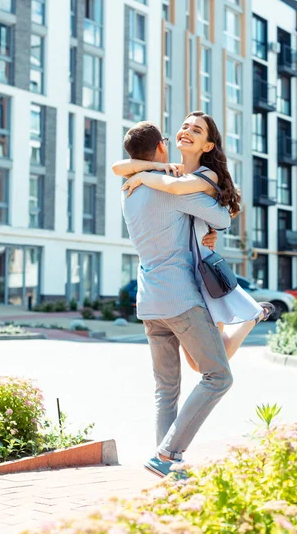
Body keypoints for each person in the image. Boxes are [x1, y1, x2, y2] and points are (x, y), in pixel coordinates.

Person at [114, 120, 233, 478]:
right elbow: (223, 218)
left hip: (149, 302)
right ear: (162, 147)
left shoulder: (129, 189)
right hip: (180, 298)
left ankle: (165, 466)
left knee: (166, 391)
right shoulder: (175, 190)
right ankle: (168, 453)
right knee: (218, 377)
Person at [113, 111, 274, 371]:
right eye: (185, 125)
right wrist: (152, 168)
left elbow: (190, 199)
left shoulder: (206, 175)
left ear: (207, 146)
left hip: (204, 272)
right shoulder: (170, 171)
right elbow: (118, 168)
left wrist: (142, 176)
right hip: (183, 278)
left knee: (204, 364)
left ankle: (251, 319)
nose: (187, 131)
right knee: (200, 361)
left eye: (196, 130)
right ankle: (253, 317)